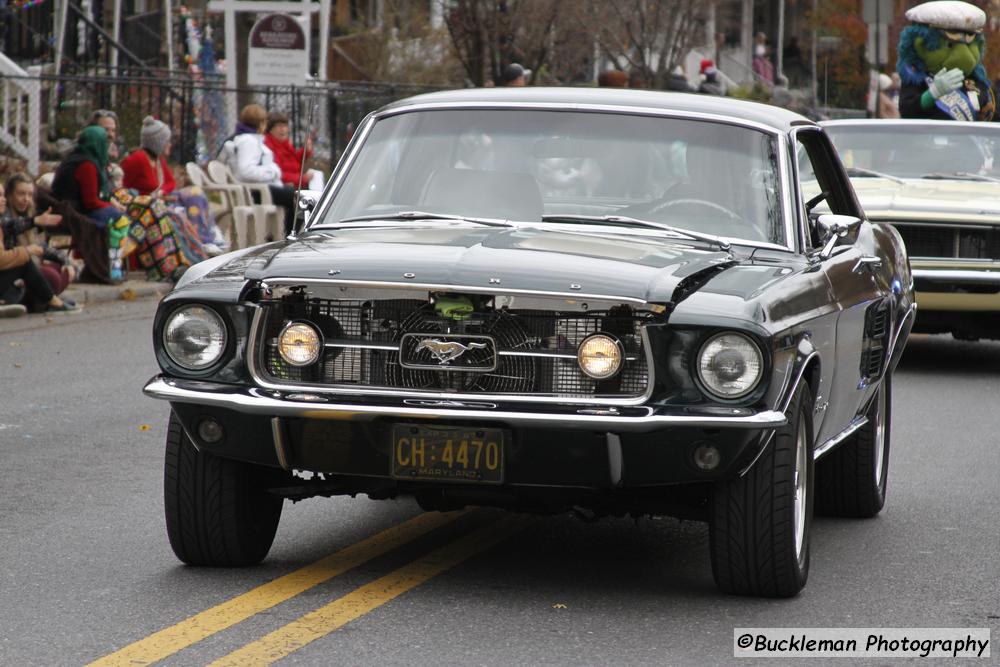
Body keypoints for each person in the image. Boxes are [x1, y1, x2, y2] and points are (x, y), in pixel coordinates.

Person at [121, 116, 225, 251]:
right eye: (167, 141)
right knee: (180, 211)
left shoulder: (158, 160)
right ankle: (199, 243)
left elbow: (170, 183)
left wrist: (162, 192)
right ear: (158, 142)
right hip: (148, 205)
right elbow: (126, 187)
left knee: (195, 192)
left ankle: (207, 237)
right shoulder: (138, 159)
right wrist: (156, 194)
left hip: (163, 199)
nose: (170, 144)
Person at [0, 182, 79, 314]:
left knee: (61, 269)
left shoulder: (32, 215)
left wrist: (66, 261)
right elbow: (11, 226)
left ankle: (48, 300)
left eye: (30, 195)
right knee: (42, 271)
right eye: (21, 194)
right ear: (11, 195)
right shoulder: (8, 220)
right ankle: (50, 301)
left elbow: (42, 248)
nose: (26, 199)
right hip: (13, 275)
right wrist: (34, 223)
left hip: (17, 276)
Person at [219, 103, 295, 234]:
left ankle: (282, 233)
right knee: (298, 198)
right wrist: (272, 172)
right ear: (260, 123)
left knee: (297, 195)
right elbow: (246, 171)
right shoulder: (249, 141)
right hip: (256, 191)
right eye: (264, 121)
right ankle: (289, 234)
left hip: (259, 188)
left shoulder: (247, 138)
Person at [263, 112, 325, 190]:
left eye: (285, 126)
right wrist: (302, 178)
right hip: (284, 187)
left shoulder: (284, 143)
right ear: (270, 129)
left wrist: (305, 151)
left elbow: (294, 161)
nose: (283, 129)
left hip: (295, 183)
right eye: (279, 126)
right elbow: (278, 174)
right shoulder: (269, 146)